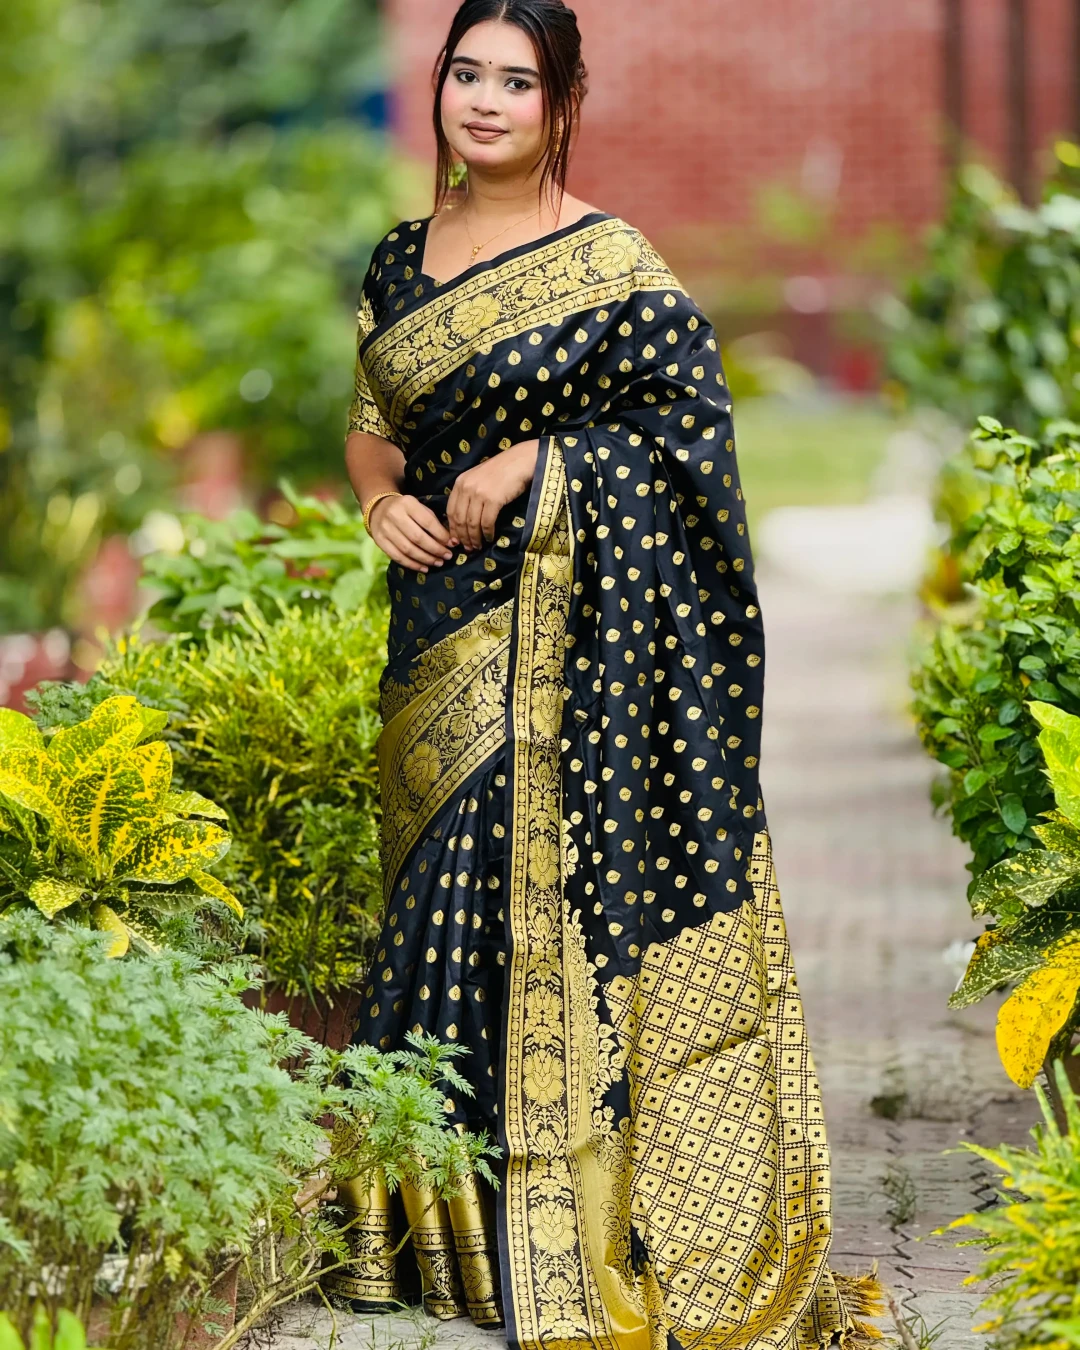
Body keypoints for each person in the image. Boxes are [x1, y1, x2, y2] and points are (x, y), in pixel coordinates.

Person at [328, 2, 885, 1347]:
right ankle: (431, 1243)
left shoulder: (615, 264)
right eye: (467, 72)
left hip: (576, 649)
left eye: (517, 81)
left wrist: (543, 461)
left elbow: (690, 436)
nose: (484, 100)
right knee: (436, 909)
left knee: (549, 907)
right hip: (437, 630)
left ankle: (565, 1232)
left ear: (561, 103)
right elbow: (371, 421)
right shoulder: (398, 259)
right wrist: (377, 500)